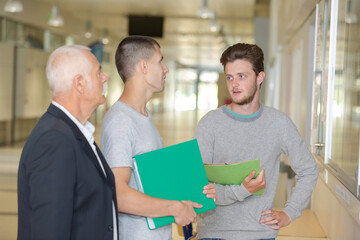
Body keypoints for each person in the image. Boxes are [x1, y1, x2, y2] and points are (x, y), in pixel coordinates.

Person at [194, 43, 318, 240]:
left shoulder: (279, 123)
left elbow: (309, 170)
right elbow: (198, 187)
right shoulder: (210, 123)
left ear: (260, 77)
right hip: (214, 233)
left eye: (242, 76)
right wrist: (242, 190)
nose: (234, 84)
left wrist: (289, 212)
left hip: (260, 234)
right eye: (229, 77)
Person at [101, 36, 216, 240]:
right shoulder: (121, 121)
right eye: (160, 61)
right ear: (143, 66)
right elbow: (117, 193)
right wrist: (174, 208)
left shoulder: (143, 116)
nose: (165, 69)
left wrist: (190, 197)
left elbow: (148, 183)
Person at [17, 45, 118, 240]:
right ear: (79, 84)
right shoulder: (54, 141)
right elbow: (49, 232)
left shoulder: (72, 132)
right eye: (98, 73)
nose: (105, 78)